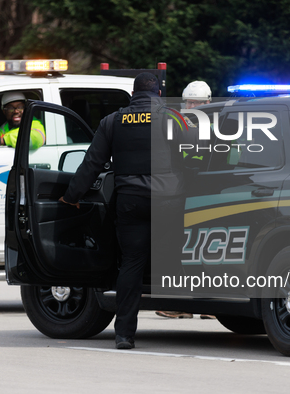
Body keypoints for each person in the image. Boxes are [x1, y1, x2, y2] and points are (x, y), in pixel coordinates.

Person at [59, 72, 195, 349]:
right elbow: (195, 154)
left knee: (131, 263)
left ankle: (124, 335)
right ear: (158, 94)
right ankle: (191, 306)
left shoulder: (113, 121)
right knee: (172, 254)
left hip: (131, 201)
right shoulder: (173, 119)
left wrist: (71, 196)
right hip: (169, 201)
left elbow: (92, 163)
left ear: (133, 95)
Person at [155, 80, 216, 320]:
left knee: (197, 248)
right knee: (189, 248)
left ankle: (201, 304)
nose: (192, 105)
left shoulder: (212, 128)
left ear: (208, 103)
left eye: (197, 102)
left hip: (205, 194)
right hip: (187, 194)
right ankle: (198, 304)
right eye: (189, 101)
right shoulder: (179, 125)